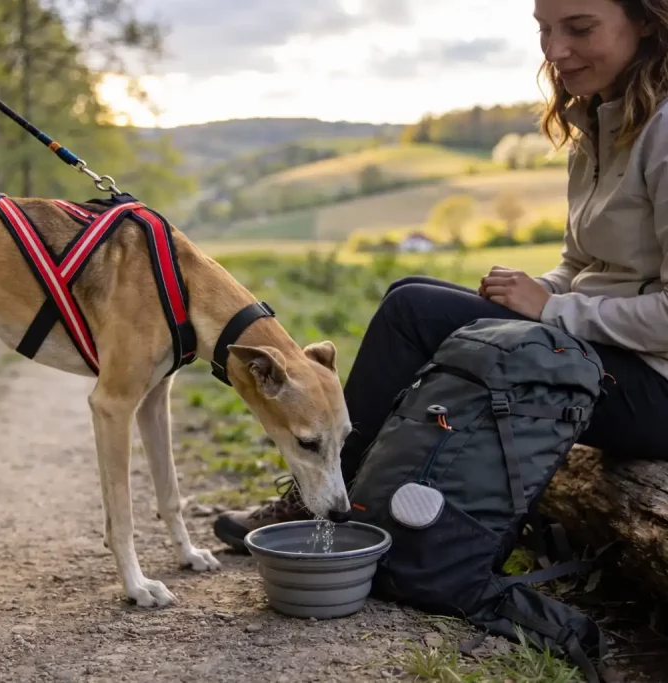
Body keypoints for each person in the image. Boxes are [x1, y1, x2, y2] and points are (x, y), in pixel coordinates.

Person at [213, 0, 668, 552]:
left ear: (646, 20)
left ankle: (331, 504)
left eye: (579, 28)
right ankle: (372, 494)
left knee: (414, 314)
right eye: (544, 30)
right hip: (609, 352)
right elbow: (581, 263)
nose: (554, 51)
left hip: (655, 387)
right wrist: (541, 288)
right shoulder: (598, 124)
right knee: (411, 293)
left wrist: (549, 310)